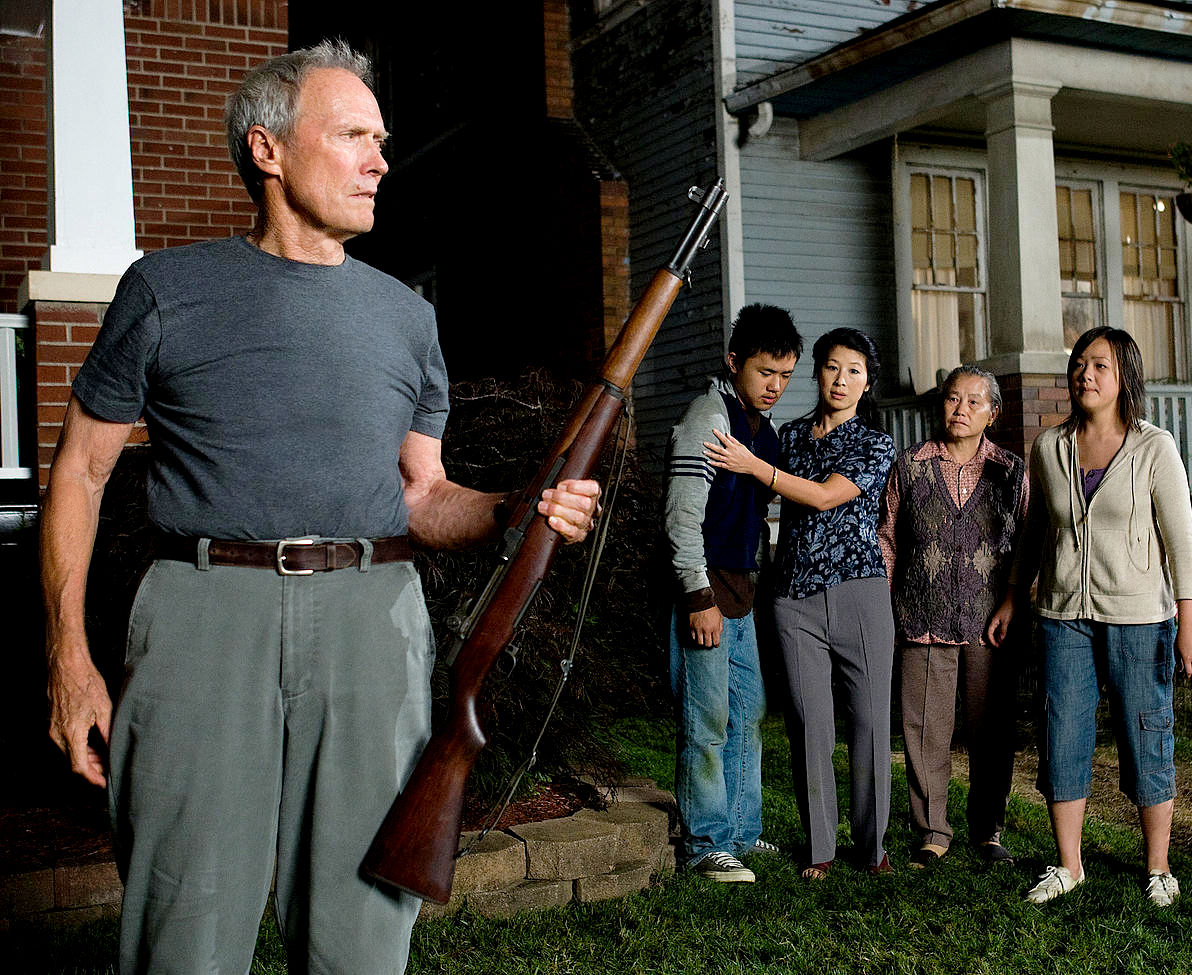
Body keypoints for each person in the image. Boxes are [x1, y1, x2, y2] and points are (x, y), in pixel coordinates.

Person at [41, 41, 599, 973]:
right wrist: (69, 657)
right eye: (353, 136)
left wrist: (515, 509)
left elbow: (422, 494)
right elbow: (80, 474)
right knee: (185, 929)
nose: (381, 159)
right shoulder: (165, 292)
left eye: (382, 139)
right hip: (203, 615)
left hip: (371, 623)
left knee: (361, 935)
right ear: (268, 149)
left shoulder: (406, 317)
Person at [989, 325, 1192, 907]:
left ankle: (1158, 868)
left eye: (1099, 365)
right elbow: (1035, 532)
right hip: (1062, 617)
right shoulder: (1049, 447)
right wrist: (1013, 594)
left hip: (1139, 618)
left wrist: (1190, 622)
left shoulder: (1154, 447)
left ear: (1123, 377)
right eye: (1079, 363)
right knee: (1063, 734)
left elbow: (1182, 541)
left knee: (1145, 736)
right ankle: (1069, 866)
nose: (1085, 373)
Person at [705, 327, 895, 879]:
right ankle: (820, 849)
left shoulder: (874, 443)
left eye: (854, 370)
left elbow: (824, 495)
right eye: (832, 367)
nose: (842, 379)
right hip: (793, 600)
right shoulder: (787, 436)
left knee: (868, 723)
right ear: (818, 373)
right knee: (810, 723)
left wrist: (755, 468)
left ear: (867, 382)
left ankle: (872, 844)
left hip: (860, 594)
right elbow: (754, 496)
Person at [664, 303, 801, 883]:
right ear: (734, 362)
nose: (775, 386)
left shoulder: (761, 430)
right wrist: (697, 597)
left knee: (748, 712)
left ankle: (742, 832)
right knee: (709, 718)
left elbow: (751, 510)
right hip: (707, 590)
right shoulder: (708, 417)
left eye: (785, 376)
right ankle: (705, 843)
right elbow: (681, 515)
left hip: (743, 591)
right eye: (765, 372)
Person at [878, 365, 1027, 869]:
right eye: (951, 399)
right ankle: (932, 832)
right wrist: (884, 607)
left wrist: (1012, 600)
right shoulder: (911, 465)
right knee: (924, 730)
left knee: (991, 730)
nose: (959, 409)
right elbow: (888, 540)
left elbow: (1028, 546)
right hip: (923, 614)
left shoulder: (1011, 472)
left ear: (992, 413)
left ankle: (987, 831)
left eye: (972, 401)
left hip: (992, 623)